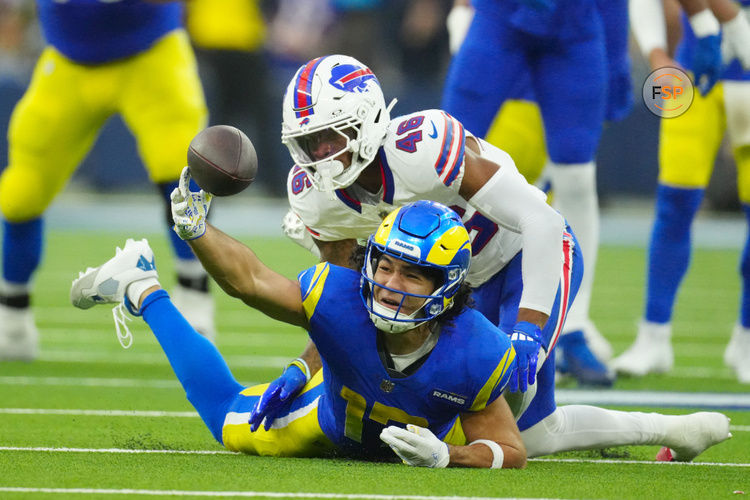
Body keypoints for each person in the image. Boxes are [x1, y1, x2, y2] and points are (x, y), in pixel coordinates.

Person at [272, 55, 731, 461]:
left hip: (525, 257)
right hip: (457, 291)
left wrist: (528, 327)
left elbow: (543, 222)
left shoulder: (421, 147)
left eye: (333, 137)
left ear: (368, 118)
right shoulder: (316, 197)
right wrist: (304, 366)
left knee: (510, 403)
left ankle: (663, 426)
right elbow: (344, 304)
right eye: (311, 144)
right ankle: (678, 431)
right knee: (532, 433)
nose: (322, 155)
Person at [71, 200, 528, 469]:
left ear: (445, 286)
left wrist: (448, 455)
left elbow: (511, 451)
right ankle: (142, 285)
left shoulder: (477, 350)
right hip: (325, 424)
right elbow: (249, 281)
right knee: (225, 416)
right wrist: (197, 230)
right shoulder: (341, 297)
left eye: (412, 275)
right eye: (384, 265)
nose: (390, 284)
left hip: (386, 429)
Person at [439, 0, 730, 387]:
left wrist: (702, 20)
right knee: (449, 158)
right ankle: (434, 303)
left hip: (575, 26)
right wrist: (461, 9)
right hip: (500, 17)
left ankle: (572, 325)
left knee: (576, 176)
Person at [0, 0, 214, 361]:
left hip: (151, 51)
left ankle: (194, 293)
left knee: (179, 168)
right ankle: (12, 314)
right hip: (70, 60)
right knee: (22, 190)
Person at [612, 0, 750, 384]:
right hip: (692, 69)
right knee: (674, 203)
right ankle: (653, 336)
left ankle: (747, 338)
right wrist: (657, 52)